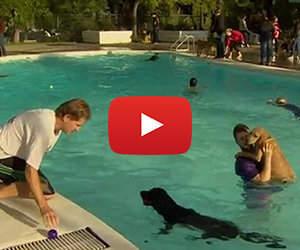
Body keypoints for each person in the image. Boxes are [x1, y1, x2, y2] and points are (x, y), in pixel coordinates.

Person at [0, 98, 91, 229]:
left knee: (45, 191)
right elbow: (30, 171)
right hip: (2, 155)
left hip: (11, 155)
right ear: (67, 117)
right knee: (43, 190)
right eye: (77, 125)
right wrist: (44, 208)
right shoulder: (44, 129)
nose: (78, 130)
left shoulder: (49, 118)